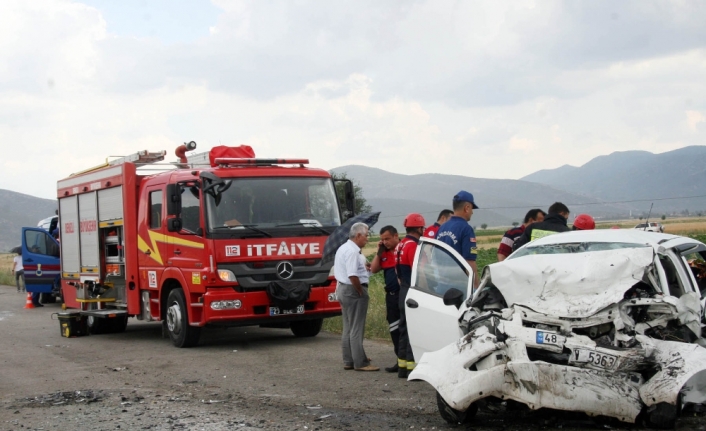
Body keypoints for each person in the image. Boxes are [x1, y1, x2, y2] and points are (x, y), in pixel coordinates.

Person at [333, 222, 378, 371]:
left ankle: (349, 360)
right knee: (357, 327)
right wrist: (359, 290)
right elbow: (352, 274)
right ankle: (360, 362)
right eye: (366, 235)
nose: (367, 239)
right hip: (352, 290)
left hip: (342, 289)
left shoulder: (343, 248)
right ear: (358, 235)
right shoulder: (353, 251)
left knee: (348, 326)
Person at [395, 213, 426, 378]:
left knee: (403, 329)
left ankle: (402, 367)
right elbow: (419, 271)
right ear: (419, 228)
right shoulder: (413, 246)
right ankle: (411, 368)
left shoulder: (401, 244)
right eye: (422, 228)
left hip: (403, 290)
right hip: (412, 290)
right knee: (412, 330)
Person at [370, 225, 402, 373]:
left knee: (406, 329)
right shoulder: (384, 253)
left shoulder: (404, 248)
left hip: (403, 294)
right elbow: (374, 269)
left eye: (387, 239)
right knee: (394, 328)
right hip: (391, 296)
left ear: (396, 236)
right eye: (382, 239)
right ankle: (399, 359)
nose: (385, 242)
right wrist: (379, 252)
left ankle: (408, 359)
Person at [436, 191, 480, 288]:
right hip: (459, 287)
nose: (472, 212)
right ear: (467, 208)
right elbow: (470, 262)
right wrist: (476, 287)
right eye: (472, 208)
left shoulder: (441, 228)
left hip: (441, 285)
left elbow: (436, 257)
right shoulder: (466, 229)